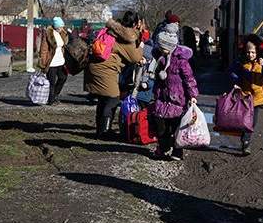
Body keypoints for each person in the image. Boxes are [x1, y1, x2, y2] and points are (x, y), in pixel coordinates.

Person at [85, 11, 144, 139]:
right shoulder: (127, 36)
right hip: (105, 69)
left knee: (103, 98)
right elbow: (136, 57)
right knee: (113, 98)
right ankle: (104, 132)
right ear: (135, 24)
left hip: (95, 66)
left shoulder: (112, 29)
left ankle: (100, 130)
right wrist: (139, 39)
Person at [149, 23, 198, 161]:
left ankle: (177, 151)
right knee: (160, 126)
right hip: (162, 97)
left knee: (177, 127)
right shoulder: (159, 58)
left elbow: (189, 79)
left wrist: (193, 95)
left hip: (178, 99)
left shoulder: (181, 62)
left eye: (164, 48)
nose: (162, 50)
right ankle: (163, 147)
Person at [229, 34, 263, 156]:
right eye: (248, 52)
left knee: (252, 122)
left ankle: (246, 140)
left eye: (253, 52)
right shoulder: (241, 63)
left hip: (257, 99)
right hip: (244, 97)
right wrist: (236, 82)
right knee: (244, 120)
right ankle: (245, 142)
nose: (250, 55)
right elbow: (232, 72)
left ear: (258, 52)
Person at [37, 17, 69, 105]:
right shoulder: (49, 34)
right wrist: (43, 62)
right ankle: (51, 100)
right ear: (56, 26)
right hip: (51, 62)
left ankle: (54, 95)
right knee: (51, 82)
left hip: (61, 61)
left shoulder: (62, 34)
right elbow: (43, 49)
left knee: (63, 77)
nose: (62, 28)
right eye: (61, 27)